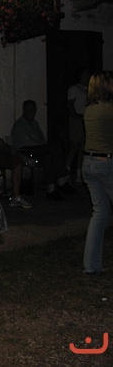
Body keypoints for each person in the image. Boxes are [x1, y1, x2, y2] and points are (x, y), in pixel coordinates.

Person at [10, 100, 77, 200]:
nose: (32, 113)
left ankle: (51, 189)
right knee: (51, 150)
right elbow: (26, 143)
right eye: (29, 110)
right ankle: (62, 180)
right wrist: (42, 145)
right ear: (24, 110)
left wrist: (43, 146)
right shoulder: (19, 125)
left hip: (39, 150)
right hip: (25, 151)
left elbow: (42, 139)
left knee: (47, 156)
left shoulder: (35, 124)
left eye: (33, 111)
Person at [82, 70, 113, 275]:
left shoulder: (89, 110)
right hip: (106, 164)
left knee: (99, 214)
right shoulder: (109, 109)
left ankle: (91, 265)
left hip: (89, 164)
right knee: (100, 214)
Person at [66, 67, 91, 182]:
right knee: (74, 145)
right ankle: (66, 172)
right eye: (85, 75)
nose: (87, 77)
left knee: (82, 147)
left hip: (85, 119)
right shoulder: (74, 88)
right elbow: (69, 103)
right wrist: (75, 116)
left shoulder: (88, 90)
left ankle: (79, 174)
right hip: (77, 118)